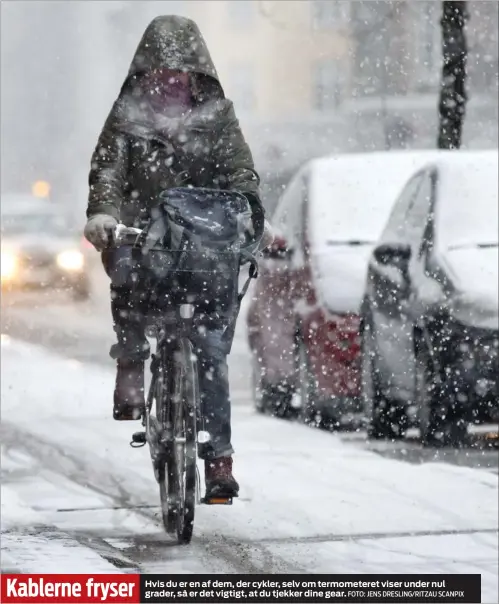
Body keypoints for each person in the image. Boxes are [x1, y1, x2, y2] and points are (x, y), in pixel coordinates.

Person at [83, 16, 272, 498]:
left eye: (180, 69)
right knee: (125, 272)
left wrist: (250, 215)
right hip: (144, 234)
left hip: (202, 241)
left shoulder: (219, 117)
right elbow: (107, 170)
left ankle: (219, 462)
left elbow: (239, 172)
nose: (171, 77)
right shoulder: (126, 117)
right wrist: (105, 213)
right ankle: (130, 361)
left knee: (209, 349)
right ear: (145, 72)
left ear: (196, 74)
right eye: (162, 69)